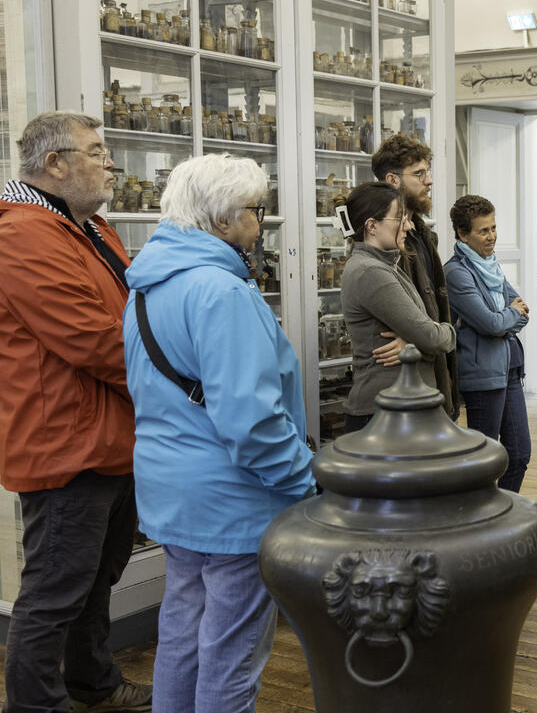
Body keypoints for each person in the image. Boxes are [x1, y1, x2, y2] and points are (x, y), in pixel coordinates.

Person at [121, 154, 314, 711]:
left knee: (181, 634)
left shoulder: (145, 288)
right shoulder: (222, 292)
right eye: (256, 210)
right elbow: (252, 424)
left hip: (170, 492)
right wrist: (303, 483)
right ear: (224, 220)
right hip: (234, 500)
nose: (261, 222)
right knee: (231, 658)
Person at [0, 112, 152, 713]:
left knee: (95, 583)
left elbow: (133, 316)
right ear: (55, 164)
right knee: (55, 592)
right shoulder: (23, 235)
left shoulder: (86, 227)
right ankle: (35, 704)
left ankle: (94, 684)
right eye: (95, 151)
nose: (109, 163)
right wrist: (177, 380)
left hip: (110, 436)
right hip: (67, 445)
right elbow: (93, 339)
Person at [340, 181, 456, 432]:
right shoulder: (370, 272)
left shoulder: (385, 266)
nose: (409, 226)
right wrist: (446, 332)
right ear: (372, 226)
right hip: (384, 414)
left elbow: (424, 335)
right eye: (400, 219)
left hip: (397, 409)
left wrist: (414, 343)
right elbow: (433, 337)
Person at [444, 195, 532, 492]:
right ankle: (478, 524)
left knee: (519, 455)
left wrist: (505, 319)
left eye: (493, 228)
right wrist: (507, 318)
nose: (492, 236)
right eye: (483, 231)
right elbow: (491, 323)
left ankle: (502, 517)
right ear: (462, 234)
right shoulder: (457, 272)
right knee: (483, 463)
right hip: (482, 377)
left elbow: (521, 312)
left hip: (509, 369)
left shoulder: (490, 266)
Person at [370, 134, 459, 417]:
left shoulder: (421, 235)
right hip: (402, 391)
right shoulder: (381, 245)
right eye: (419, 174)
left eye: (427, 173)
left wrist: (423, 340)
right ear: (393, 180)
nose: (429, 181)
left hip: (435, 376)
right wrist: (421, 340)